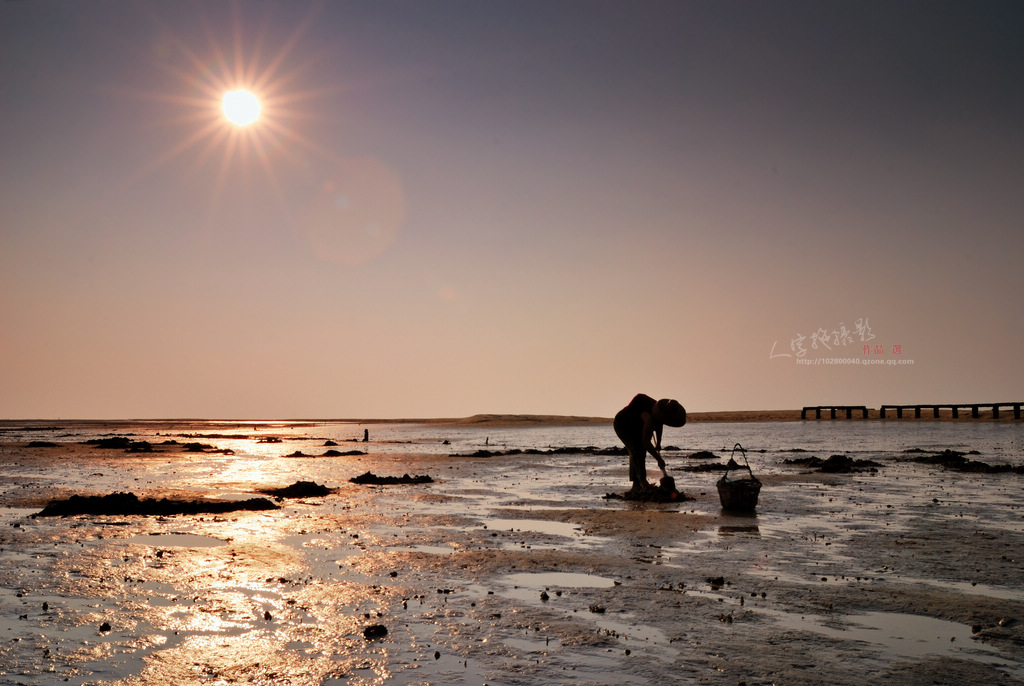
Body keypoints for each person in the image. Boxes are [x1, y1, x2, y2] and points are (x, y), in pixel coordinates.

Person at [613, 394, 686, 491]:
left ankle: (636, 484)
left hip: (637, 424)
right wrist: (658, 458)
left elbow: (659, 425)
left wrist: (658, 443)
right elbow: (646, 443)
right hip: (623, 424)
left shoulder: (661, 411)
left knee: (638, 450)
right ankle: (642, 481)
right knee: (637, 449)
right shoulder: (649, 418)